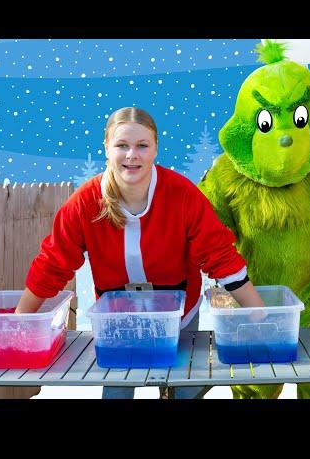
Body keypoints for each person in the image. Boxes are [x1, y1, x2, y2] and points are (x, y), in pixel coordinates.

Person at [15, 106, 266, 399]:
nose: (131, 155)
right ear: (106, 147)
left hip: (179, 316)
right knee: (117, 392)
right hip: (119, 323)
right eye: (122, 145)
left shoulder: (182, 195)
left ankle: (190, 385)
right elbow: (53, 262)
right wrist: (20, 320)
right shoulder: (85, 202)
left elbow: (220, 257)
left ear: (155, 148)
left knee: (180, 390)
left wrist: (261, 318)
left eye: (142, 146)